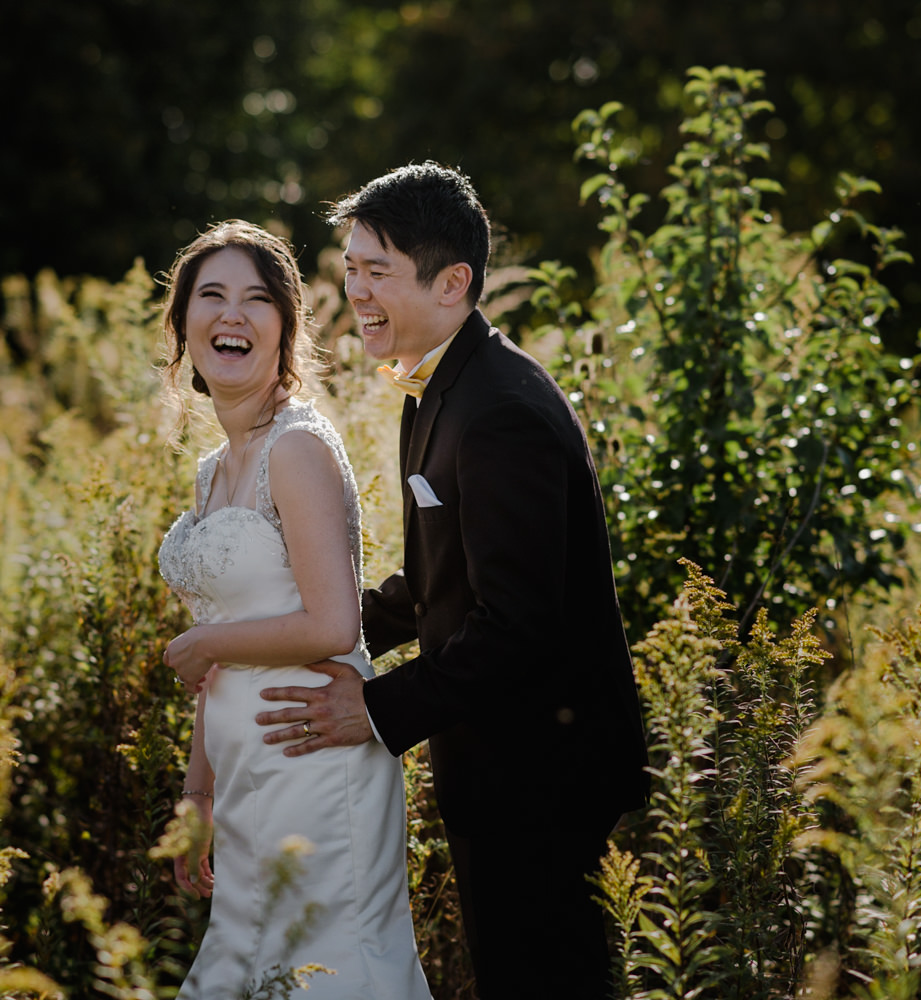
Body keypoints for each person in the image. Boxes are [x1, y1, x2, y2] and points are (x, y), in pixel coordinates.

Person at [253, 163, 650, 997]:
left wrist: (374, 708)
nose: (354, 291)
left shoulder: (501, 408)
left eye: (377, 272)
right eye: (350, 267)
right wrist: (330, 621)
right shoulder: (438, 385)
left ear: (453, 281)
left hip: (545, 774)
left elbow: (518, 623)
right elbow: (444, 580)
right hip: (498, 765)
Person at [156, 220, 434, 1000]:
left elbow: (333, 625)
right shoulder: (212, 471)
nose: (231, 316)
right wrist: (198, 794)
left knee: (324, 974)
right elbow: (220, 665)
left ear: (286, 326)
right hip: (242, 774)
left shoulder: (298, 449)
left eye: (255, 300)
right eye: (211, 297)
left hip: (316, 761)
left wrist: (207, 640)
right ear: (184, 324)